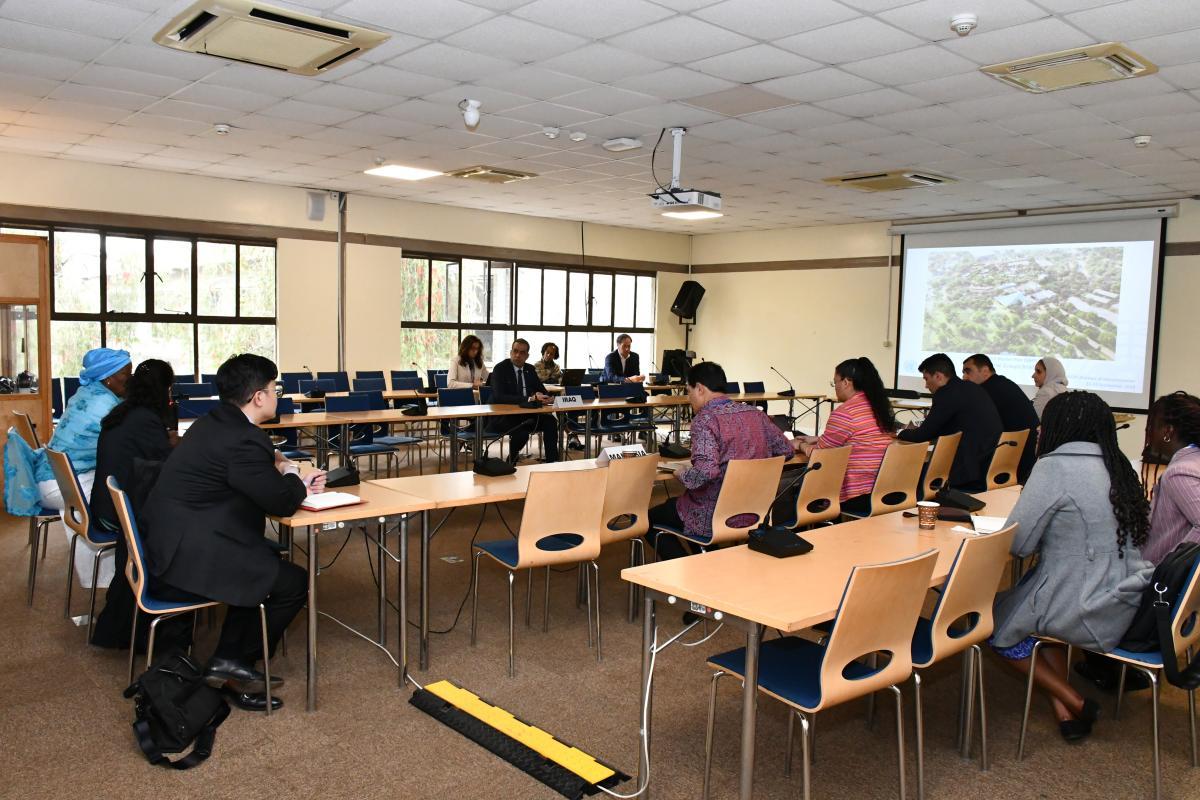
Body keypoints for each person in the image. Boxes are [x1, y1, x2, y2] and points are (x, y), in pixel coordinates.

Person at [143, 354, 326, 712]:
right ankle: (237, 665)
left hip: (176, 537)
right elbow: (281, 503)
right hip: (189, 553)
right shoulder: (243, 441)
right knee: (292, 582)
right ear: (259, 397)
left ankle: (229, 658)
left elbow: (254, 459)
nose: (277, 395)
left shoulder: (215, 421)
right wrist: (295, 477)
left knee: (262, 559)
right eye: (275, 389)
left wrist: (281, 463)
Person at [991, 391, 1153, 742]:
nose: (1038, 430)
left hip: (1082, 601)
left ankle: (1074, 699)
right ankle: (1065, 712)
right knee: (1039, 612)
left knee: (988, 622)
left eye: (1044, 423)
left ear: (1059, 427)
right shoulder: (1118, 463)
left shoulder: (1054, 466)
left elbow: (1018, 545)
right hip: (1124, 593)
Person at [3, 347, 132, 591]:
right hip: (60, 483)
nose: (131, 379)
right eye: (126, 373)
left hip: (50, 475)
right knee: (119, 498)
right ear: (108, 378)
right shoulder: (106, 406)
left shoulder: (85, 394)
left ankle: (104, 573)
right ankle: (106, 576)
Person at [647, 361, 792, 561]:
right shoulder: (756, 414)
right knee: (678, 507)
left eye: (688, 391)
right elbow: (786, 450)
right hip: (756, 509)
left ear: (700, 389)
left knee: (649, 518)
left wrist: (681, 472)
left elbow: (705, 473)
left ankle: (690, 571)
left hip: (712, 514)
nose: (689, 399)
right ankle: (709, 561)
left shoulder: (706, 419)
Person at [89, 359, 177, 650]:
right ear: (164, 390)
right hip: (122, 514)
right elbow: (167, 467)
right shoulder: (146, 420)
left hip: (108, 505)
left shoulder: (125, 412)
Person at [792, 357, 894, 514]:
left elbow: (820, 456)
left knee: (795, 487)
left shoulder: (845, 413)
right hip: (883, 489)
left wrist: (800, 445)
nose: (835, 387)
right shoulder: (877, 407)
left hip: (857, 496)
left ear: (846, 382)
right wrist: (818, 439)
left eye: (835, 382)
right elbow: (861, 439)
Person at [896, 352, 1002, 490]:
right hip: (987, 464)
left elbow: (922, 435)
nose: (926, 386)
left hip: (967, 471)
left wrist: (899, 432)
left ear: (938, 376)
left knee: (908, 473)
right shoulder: (971, 388)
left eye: (926, 379)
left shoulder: (946, 394)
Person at [1141, 391, 1200, 563]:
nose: (1149, 431)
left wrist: (1172, 565)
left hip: (1166, 583)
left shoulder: (1179, 472)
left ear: (1168, 431)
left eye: (1152, 425)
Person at [962, 353, 1040, 483]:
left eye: (968, 371)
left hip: (1011, 460)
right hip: (1024, 458)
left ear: (985, 371)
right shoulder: (1002, 383)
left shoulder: (987, 391)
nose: (964, 377)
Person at [487, 339, 559, 464]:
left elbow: (541, 390)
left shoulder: (530, 369)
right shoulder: (500, 369)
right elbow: (499, 397)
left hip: (526, 414)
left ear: (527, 355)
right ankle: (511, 461)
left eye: (522, 352)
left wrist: (546, 397)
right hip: (504, 416)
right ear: (510, 352)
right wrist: (529, 398)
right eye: (515, 351)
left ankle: (552, 462)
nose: (517, 355)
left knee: (551, 421)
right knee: (522, 432)